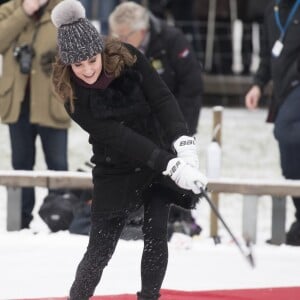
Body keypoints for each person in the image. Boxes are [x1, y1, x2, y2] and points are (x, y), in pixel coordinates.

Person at [50, 0, 208, 299]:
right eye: (78, 64)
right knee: (99, 250)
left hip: (157, 152)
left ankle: (150, 296)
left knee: (156, 233)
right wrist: (171, 165)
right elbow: (119, 136)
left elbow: (162, 99)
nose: (86, 70)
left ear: (101, 50)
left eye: (91, 60)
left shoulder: (129, 58)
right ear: (68, 64)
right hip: (115, 166)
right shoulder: (71, 93)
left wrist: (183, 143)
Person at [108, 1, 203, 238]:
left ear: (140, 31)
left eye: (123, 36)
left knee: (177, 175)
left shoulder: (173, 41)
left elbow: (192, 88)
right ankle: (135, 218)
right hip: (138, 126)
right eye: (115, 35)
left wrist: (180, 131)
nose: (117, 41)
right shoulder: (118, 50)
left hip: (174, 123)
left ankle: (182, 220)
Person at [0, 0, 70, 229]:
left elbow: (78, 46)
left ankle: (60, 221)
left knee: (57, 165)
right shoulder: (10, 9)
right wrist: (24, 12)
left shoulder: (64, 9)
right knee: (21, 164)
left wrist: (56, 59)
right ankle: (19, 221)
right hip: (18, 102)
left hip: (52, 102)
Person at [245, 0, 300, 246]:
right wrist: (258, 84)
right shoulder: (272, 10)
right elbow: (268, 55)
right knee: (288, 161)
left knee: (285, 131)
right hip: (282, 91)